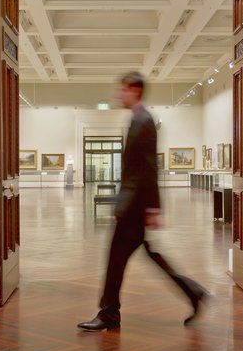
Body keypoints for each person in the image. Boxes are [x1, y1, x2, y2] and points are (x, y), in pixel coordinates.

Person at [77, 71, 209, 332]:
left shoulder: (144, 120)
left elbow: (148, 168)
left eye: (122, 90)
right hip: (132, 206)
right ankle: (192, 292)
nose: (119, 95)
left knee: (116, 260)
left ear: (135, 90)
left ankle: (109, 314)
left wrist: (152, 208)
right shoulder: (139, 119)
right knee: (145, 256)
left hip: (134, 208)